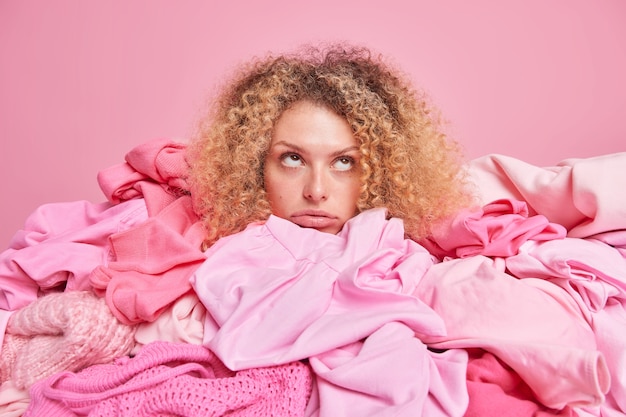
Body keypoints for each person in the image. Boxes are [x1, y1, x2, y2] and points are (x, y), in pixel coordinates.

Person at [187, 43, 473, 250]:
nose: (316, 192)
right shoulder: (209, 260)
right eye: (293, 158)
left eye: (344, 162)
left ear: (384, 173)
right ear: (253, 166)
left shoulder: (425, 269)